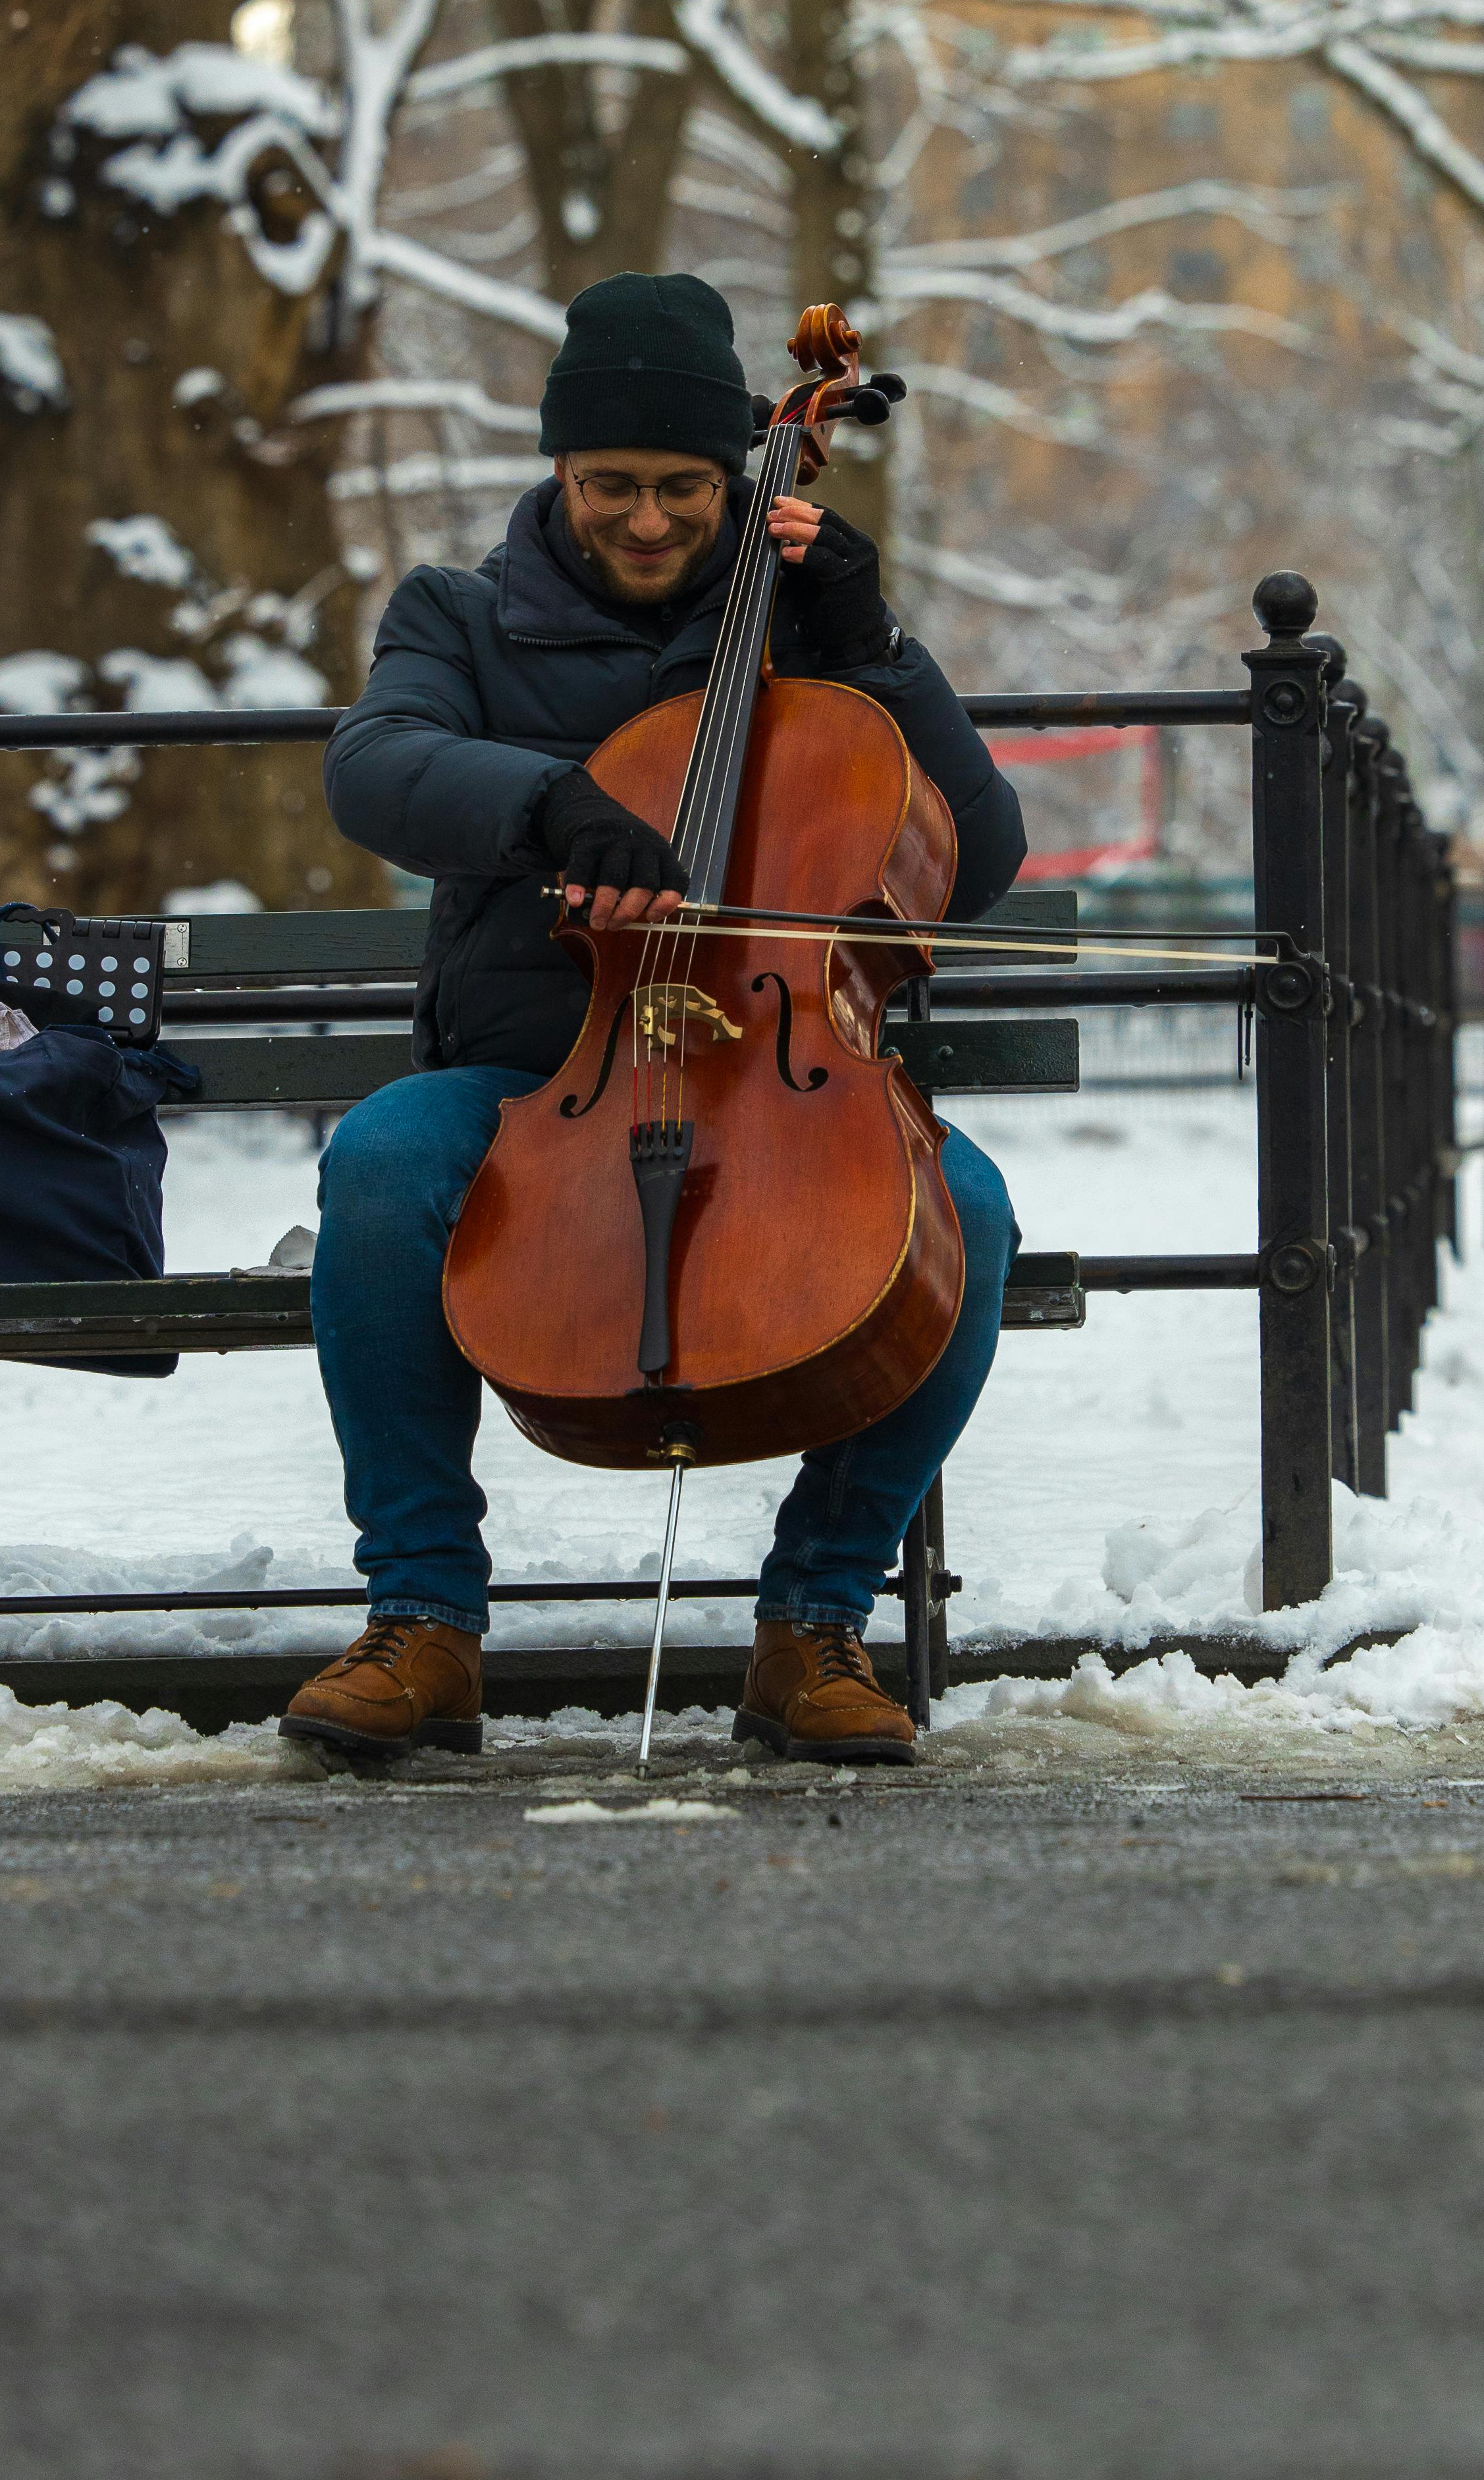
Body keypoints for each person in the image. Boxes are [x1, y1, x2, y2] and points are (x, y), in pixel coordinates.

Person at [280, 271, 1026, 1769]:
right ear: (559, 472)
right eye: (610, 483)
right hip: (529, 1074)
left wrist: (873, 647)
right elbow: (376, 768)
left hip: (773, 1077)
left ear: (729, 472)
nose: (646, 518)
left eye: (682, 487)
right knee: (380, 1162)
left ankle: (811, 1623)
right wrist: (547, 807)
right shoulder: (461, 617)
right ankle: (422, 1621)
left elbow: (979, 857)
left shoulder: (805, 624)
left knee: (968, 1213)